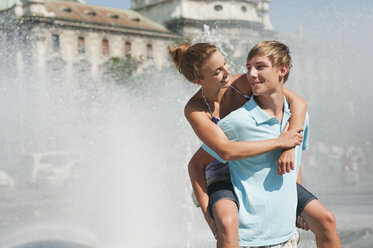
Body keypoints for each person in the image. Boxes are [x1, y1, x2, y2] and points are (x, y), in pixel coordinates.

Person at [169, 42, 341, 248]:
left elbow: (299, 103)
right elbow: (224, 151)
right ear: (199, 80)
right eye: (218, 72)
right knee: (227, 223)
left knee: (326, 219)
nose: (227, 72)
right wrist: (208, 214)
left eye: (225, 64)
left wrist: (288, 146)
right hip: (221, 171)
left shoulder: (242, 83)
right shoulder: (195, 109)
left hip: (259, 164)